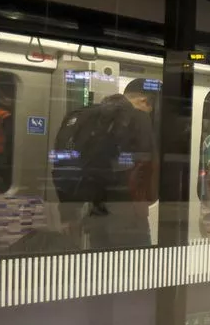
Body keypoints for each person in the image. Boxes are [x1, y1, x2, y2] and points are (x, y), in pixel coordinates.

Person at [52, 78, 158, 249]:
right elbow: (146, 169)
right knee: (138, 270)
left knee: (101, 268)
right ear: (144, 101)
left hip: (94, 213)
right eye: (150, 108)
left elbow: (64, 162)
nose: (150, 111)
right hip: (128, 217)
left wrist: (68, 214)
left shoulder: (85, 117)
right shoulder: (139, 119)